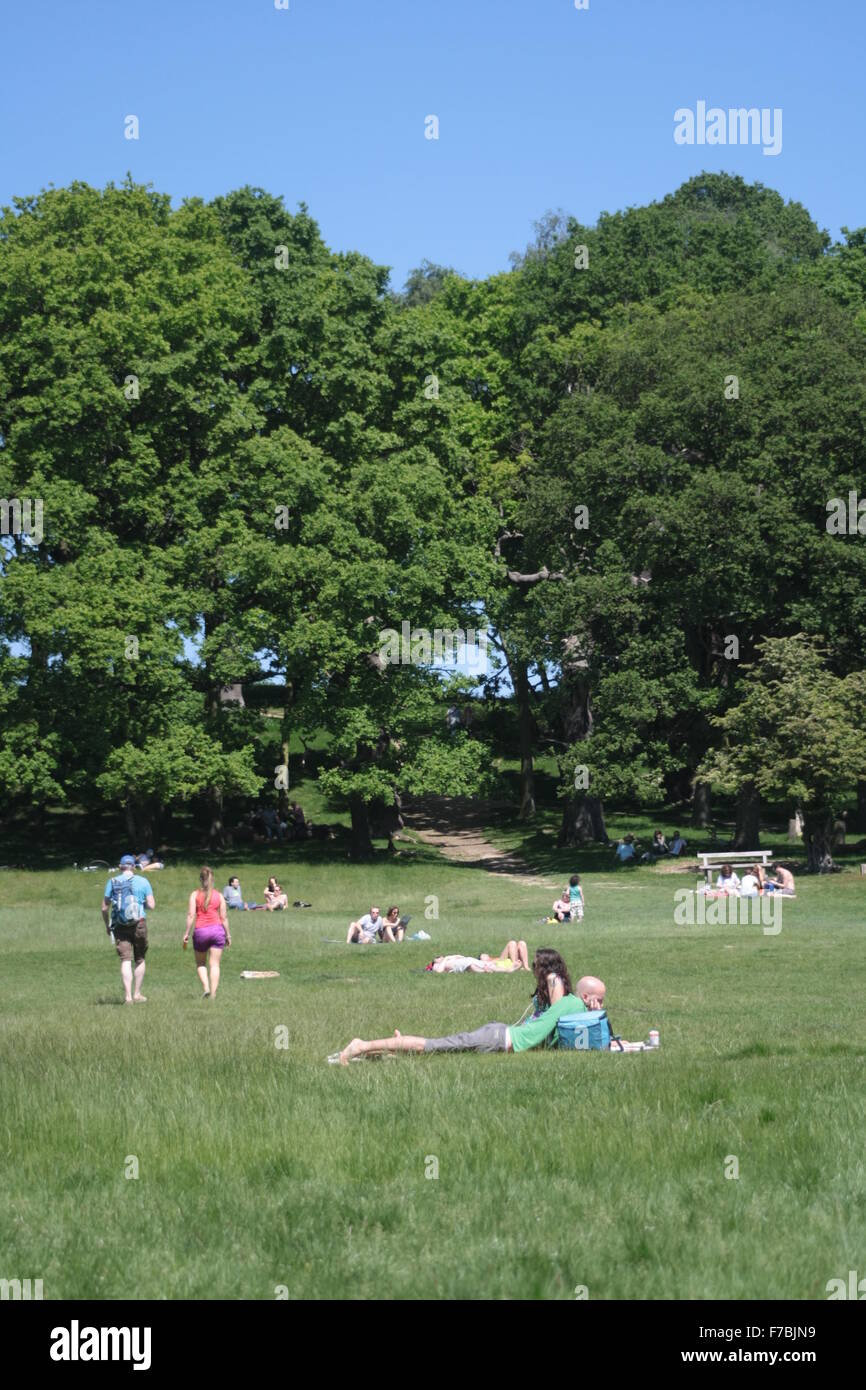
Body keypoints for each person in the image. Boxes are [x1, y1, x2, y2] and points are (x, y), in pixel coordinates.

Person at [336, 949, 605, 1063]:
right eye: (600, 1000)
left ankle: (392, 1049)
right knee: (432, 1045)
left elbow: (573, 1044)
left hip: (498, 1036)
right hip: (498, 1038)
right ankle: (362, 1045)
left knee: (437, 1051)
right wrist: (592, 1015)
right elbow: (550, 1027)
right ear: (585, 997)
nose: (602, 1005)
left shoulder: (572, 1007)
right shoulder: (570, 1005)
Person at [102, 854, 155, 1004]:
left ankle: (128, 997)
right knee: (139, 959)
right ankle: (137, 994)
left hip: (120, 925)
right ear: (134, 866)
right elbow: (152, 905)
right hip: (139, 924)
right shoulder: (143, 881)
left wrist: (107, 925)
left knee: (125, 960)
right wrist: (138, 905)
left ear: (120, 867)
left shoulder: (112, 882)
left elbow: (104, 908)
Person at [183, 866, 230, 999]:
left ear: (200, 879)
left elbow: (191, 915)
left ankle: (206, 988)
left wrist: (186, 933)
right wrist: (228, 934)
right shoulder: (219, 896)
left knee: (201, 964)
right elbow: (224, 917)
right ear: (212, 879)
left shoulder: (194, 895)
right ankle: (214, 995)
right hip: (217, 931)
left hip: (201, 932)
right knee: (215, 964)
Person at [428, 940, 530, 973]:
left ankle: (525, 967)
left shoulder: (451, 959)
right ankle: (513, 967)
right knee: (512, 943)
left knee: (520, 943)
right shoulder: (439, 964)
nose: (440, 956)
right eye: (437, 958)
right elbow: (438, 971)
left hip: (476, 963)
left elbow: (462, 957)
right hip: (477, 964)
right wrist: (445, 959)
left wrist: (453, 956)